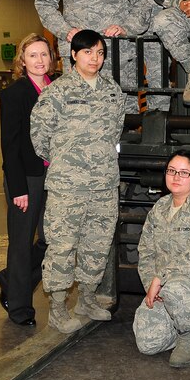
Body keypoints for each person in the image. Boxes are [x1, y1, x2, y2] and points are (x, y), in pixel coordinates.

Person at [30, 30, 126, 334]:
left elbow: (115, 132)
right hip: (67, 187)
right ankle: (57, 309)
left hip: (104, 184)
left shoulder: (113, 91)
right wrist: (67, 161)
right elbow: (39, 138)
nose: (94, 59)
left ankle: (86, 298)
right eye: (87, 52)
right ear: (73, 55)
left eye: (99, 53)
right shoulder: (57, 92)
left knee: (97, 244)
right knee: (62, 246)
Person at [133, 149, 190, 368]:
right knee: (148, 344)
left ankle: (188, 337)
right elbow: (146, 252)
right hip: (163, 287)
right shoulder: (160, 208)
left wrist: (161, 278)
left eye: (184, 173)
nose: (176, 177)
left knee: (176, 289)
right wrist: (151, 285)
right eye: (172, 171)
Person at [0, 34, 55, 326]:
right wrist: (17, 188)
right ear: (22, 60)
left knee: (50, 240)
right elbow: (10, 145)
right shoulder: (15, 94)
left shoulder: (57, 90)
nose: (39, 60)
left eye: (44, 54)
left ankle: (11, 279)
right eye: (33, 55)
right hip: (27, 179)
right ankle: (19, 308)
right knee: (21, 243)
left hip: (53, 178)